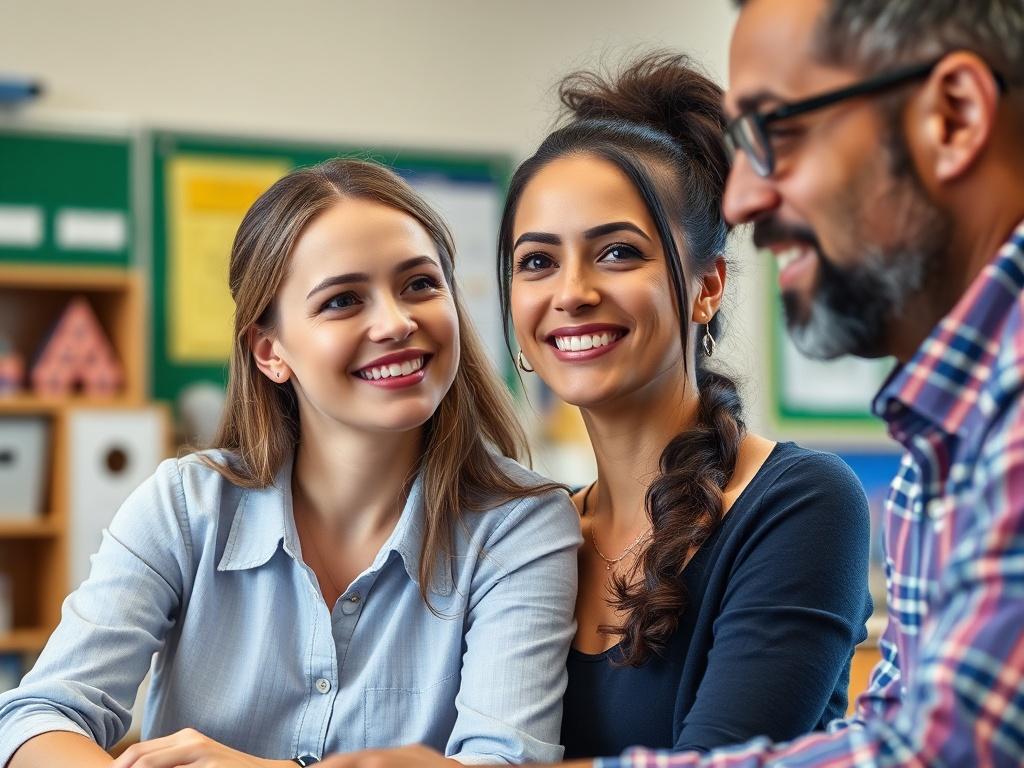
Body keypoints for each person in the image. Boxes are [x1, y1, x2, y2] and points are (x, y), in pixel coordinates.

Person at [314, 53, 874, 768]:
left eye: (616, 252)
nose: (571, 292)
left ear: (706, 288)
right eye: (538, 262)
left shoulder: (798, 504)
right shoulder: (530, 536)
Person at [529, 0, 1024, 765]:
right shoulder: (943, 439)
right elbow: (889, 735)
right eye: (535, 261)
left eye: (778, 134)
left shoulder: (984, 419)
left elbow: (949, 752)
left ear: (955, 117)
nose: (746, 199)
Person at [0, 159, 581, 768]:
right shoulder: (186, 505)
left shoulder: (522, 525)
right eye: (342, 300)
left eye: (420, 285)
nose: (396, 322)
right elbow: (39, 714)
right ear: (270, 351)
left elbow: (505, 763)